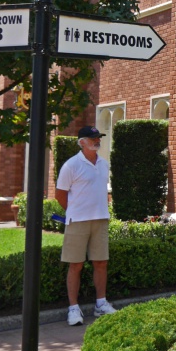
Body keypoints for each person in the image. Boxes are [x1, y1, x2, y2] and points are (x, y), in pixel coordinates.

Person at [56, 126, 117, 325]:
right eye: (92, 138)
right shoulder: (71, 165)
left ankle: (101, 304)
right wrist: (74, 211)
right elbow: (60, 194)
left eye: (98, 137)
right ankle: (73, 309)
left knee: (101, 262)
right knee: (76, 265)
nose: (97, 140)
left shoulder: (104, 164)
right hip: (78, 222)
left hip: (100, 220)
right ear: (81, 142)